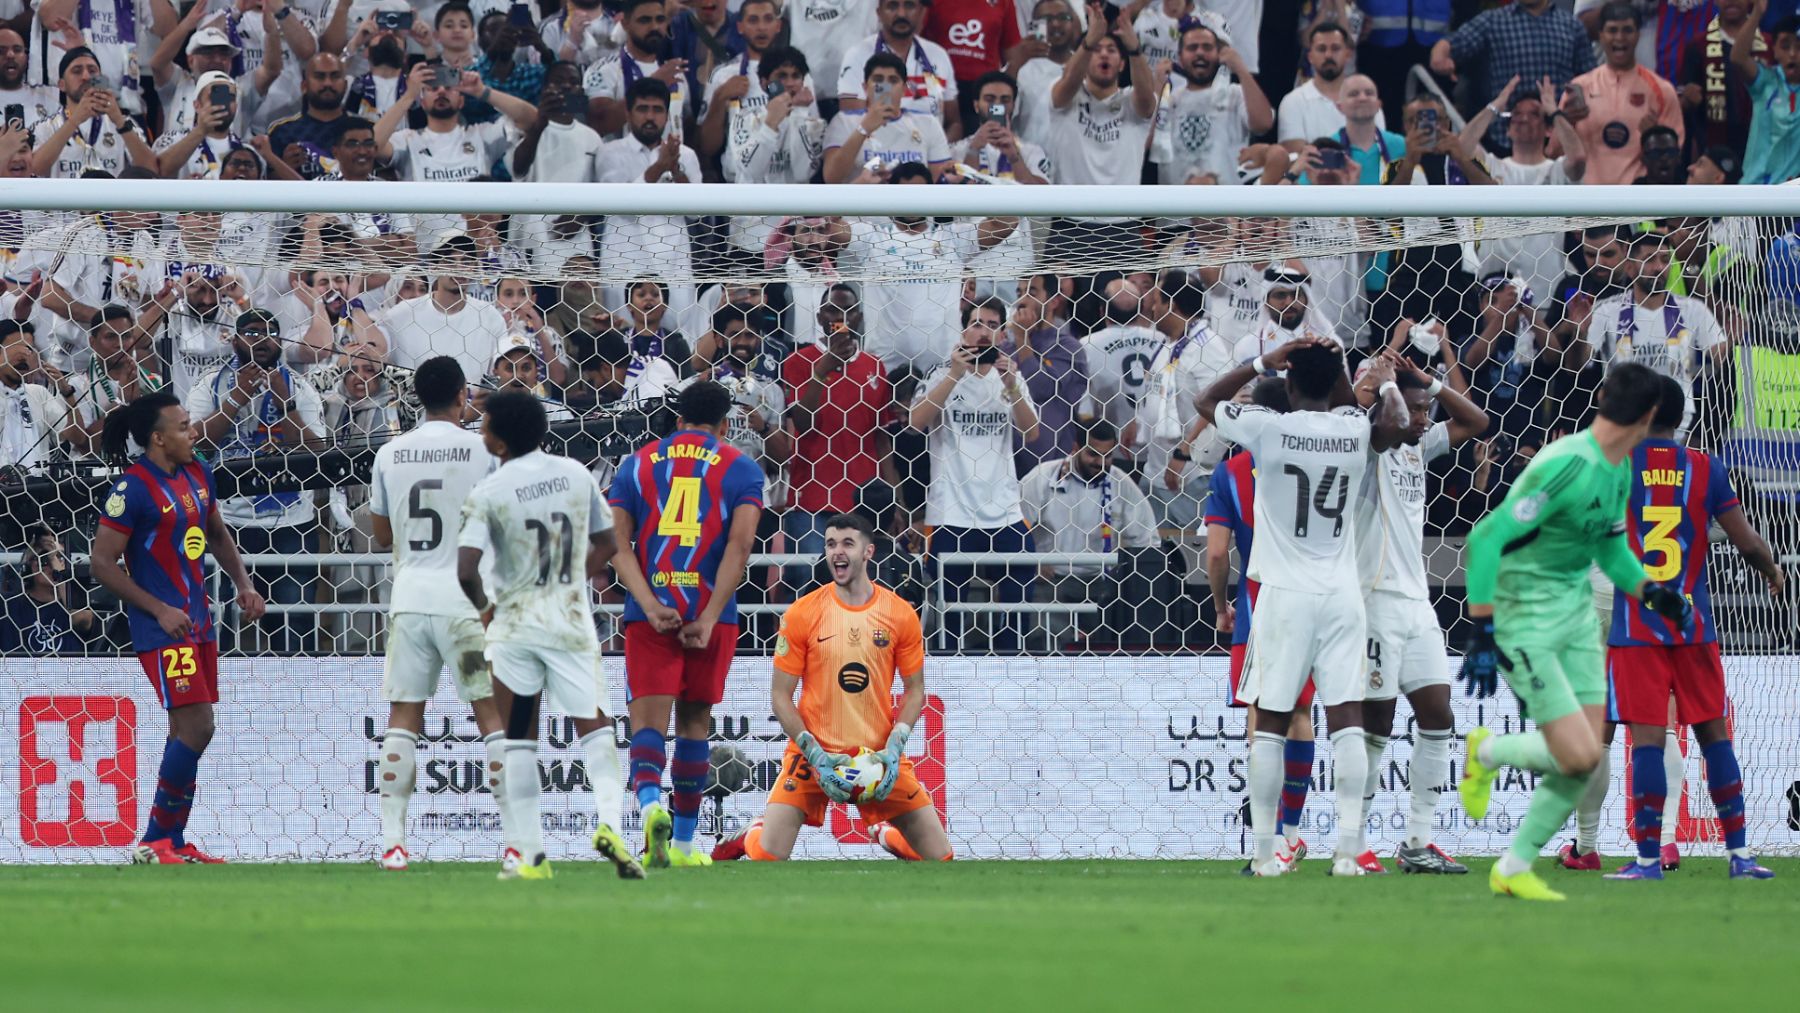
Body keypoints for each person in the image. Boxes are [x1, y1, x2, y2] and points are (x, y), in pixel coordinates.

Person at [1456, 362, 1695, 902]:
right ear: (1651, 416)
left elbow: (1610, 549)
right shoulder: (1565, 464)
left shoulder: (1619, 470)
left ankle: (1513, 867)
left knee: (1585, 757)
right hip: (1525, 618)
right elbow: (1487, 538)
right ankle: (1488, 752)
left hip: (1578, 620)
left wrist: (1651, 592)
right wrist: (1482, 629)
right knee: (1580, 754)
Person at [1197, 338, 1409, 877]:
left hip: (1284, 594)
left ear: (1288, 385)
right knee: (1346, 721)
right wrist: (1382, 379)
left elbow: (1205, 402)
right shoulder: (1353, 428)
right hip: (1341, 594)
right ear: (1335, 383)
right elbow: (1398, 422)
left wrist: (1264, 361)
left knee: (1269, 723)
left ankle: (1266, 853)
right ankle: (1348, 852)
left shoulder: (1267, 429)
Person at [1578, 376, 1782, 880]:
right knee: (1715, 738)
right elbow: (1746, 540)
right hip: (1694, 626)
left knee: (1647, 741)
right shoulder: (1706, 467)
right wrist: (1772, 571)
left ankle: (1647, 860)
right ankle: (1740, 855)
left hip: (1636, 629)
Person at [454, 389, 645, 882]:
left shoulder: (490, 490)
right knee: (595, 726)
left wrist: (485, 610)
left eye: (485, 424)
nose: (480, 429)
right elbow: (608, 543)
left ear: (499, 439)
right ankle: (610, 825)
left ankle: (532, 854)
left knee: (519, 736)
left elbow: (466, 569)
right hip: (569, 619)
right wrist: (571, 578)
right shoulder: (576, 474)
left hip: (516, 625)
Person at [90, 390, 267, 864]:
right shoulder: (132, 489)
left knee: (186, 731)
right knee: (198, 726)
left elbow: (216, 531)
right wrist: (159, 610)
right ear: (158, 438)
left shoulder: (197, 472)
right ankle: (153, 839)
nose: (194, 433)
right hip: (162, 629)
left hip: (198, 622)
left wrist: (243, 583)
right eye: (184, 427)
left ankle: (173, 841)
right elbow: (102, 564)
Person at [712, 511, 951, 862]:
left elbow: (915, 690)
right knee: (768, 857)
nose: (837, 552)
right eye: (830, 544)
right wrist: (812, 752)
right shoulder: (803, 613)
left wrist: (895, 745)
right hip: (814, 757)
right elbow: (780, 696)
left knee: (940, 858)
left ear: (868, 552)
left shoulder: (900, 614)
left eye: (847, 544)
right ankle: (750, 833)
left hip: (877, 756)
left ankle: (884, 834)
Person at [607, 380, 765, 868]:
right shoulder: (742, 468)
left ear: (677, 421)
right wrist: (710, 614)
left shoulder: (637, 464)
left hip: (651, 613)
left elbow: (616, 544)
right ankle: (682, 845)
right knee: (695, 724)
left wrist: (651, 605)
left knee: (647, 725)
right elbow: (741, 546)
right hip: (711, 616)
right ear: (725, 426)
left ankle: (650, 806)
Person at [1348, 352, 1488, 874]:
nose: (1425, 420)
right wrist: (1383, 388)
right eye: (1416, 411)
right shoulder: (1368, 444)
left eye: (1427, 411)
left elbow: (1477, 422)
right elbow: (1377, 423)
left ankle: (1418, 841)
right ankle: (1353, 841)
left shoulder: (1416, 446)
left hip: (1415, 601)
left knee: (1438, 715)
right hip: (1373, 597)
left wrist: (1430, 383)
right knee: (1376, 723)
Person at [366, 357, 503, 872]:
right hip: (467, 603)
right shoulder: (485, 450)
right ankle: (516, 841)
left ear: (416, 397)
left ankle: (393, 844)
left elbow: (382, 534)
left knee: (404, 715)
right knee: (490, 714)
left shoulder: (389, 453)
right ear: (464, 394)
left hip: (411, 599)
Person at [1204, 378, 1317, 870]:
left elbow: (1216, 553)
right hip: (1315, 600)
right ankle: (1292, 831)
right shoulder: (1317, 461)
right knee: (1302, 713)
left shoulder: (1231, 471)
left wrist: (1220, 607)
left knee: (1261, 715)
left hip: (1258, 605)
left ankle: (1268, 840)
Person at [909, 297, 1041, 654]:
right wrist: (954, 374)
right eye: (977, 323)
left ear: (1003, 334)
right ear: (963, 330)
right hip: (951, 512)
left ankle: (1010, 663)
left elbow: (1031, 432)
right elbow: (915, 422)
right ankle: (953, 671)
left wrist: (1011, 383)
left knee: (1020, 585)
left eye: (992, 325)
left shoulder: (1009, 375)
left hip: (1004, 510)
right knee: (950, 613)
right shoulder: (940, 372)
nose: (983, 331)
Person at [1018, 419, 1158, 648]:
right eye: (1093, 454)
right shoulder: (1042, 477)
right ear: (1075, 448)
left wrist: (1128, 573)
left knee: (1112, 644)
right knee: (1044, 643)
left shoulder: (1121, 483)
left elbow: (1147, 539)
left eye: (1107, 456)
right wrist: (1032, 561)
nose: (1101, 463)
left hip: (1102, 582)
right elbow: (1015, 528)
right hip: (1051, 581)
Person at [1432, 0, 1597, 151]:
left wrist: (1578, 104)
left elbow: (1590, 78)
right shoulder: (1493, 21)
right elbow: (1454, 42)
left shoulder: (1571, 25)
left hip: (1557, 138)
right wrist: (1440, 55)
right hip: (1505, 138)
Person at [1567, 4, 1683, 186]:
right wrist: (1567, 121)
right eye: (1612, 30)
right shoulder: (1578, 89)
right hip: (1588, 196)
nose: (1620, 38)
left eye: (1627, 30)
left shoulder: (1661, 90)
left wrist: (1653, 136)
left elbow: (1676, 154)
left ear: (1638, 35)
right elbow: (1554, 152)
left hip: (1639, 197)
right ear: (1600, 35)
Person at [1149, 19, 1271, 186]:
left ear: (1219, 55)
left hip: (1226, 199)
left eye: (1207, 47)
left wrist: (1241, 70)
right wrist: (1158, 89)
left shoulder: (1235, 94)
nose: (1200, 52)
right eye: (1192, 48)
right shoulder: (1169, 101)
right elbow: (1146, 144)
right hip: (1177, 200)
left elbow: (1263, 124)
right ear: (1180, 58)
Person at [1728, 7, 1800, 186]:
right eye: (1785, 46)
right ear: (1774, 50)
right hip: (1753, 189)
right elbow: (1737, 58)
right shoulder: (1766, 81)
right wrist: (1757, 13)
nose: (1792, 54)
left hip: (1790, 196)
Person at [0, 524, 98, 655]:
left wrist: (53, 558)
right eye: (43, 558)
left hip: (67, 668)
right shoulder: (9, 605)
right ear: (31, 564)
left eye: (60, 557)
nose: (51, 565)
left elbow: (81, 618)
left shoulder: (73, 603)